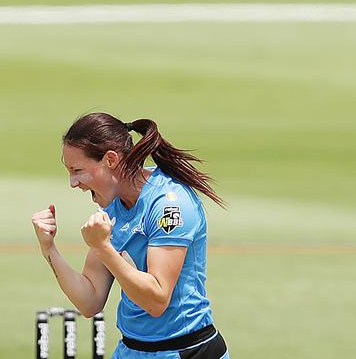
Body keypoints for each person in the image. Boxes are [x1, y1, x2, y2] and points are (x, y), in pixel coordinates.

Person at [31, 112, 229, 359]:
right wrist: (49, 249)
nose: (73, 183)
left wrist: (104, 249)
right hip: (132, 350)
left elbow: (156, 300)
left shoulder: (170, 205)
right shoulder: (112, 207)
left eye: (77, 170)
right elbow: (90, 301)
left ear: (110, 159)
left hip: (183, 350)